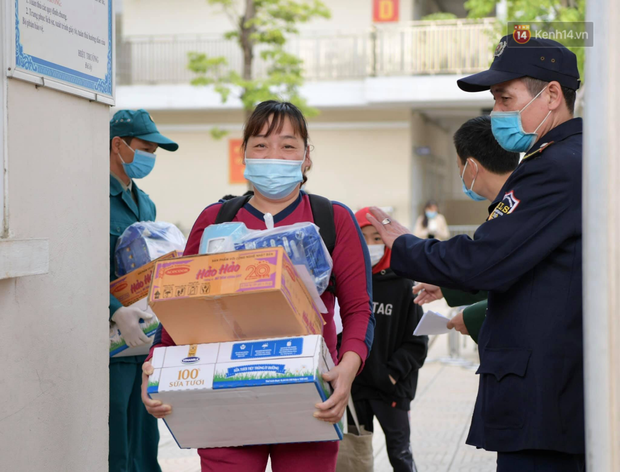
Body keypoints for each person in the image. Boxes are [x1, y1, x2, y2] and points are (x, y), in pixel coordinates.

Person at [368, 35, 584, 471]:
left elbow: (485, 260)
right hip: (555, 394)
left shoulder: (555, 167)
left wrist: (403, 246)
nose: (498, 114)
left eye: (506, 99)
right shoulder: (569, 159)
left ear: (553, 95)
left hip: (547, 396)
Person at [141, 100, 375, 472]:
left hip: (307, 393)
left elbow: (359, 308)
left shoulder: (333, 219)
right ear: (244, 154)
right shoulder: (215, 219)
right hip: (221, 392)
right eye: (261, 144)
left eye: (288, 145)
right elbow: (181, 301)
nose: (274, 155)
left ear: (307, 156)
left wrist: (347, 369)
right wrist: (156, 366)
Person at [108, 109, 179, 472]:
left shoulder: (145, 202)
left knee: (146, 441)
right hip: (112, 342)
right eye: (144, 147)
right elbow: (78, 264)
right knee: (116, 442)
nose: (150, 156)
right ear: (117, 145)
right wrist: (111, 308)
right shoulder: (93, 198)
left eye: (155, 150)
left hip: (146, 336)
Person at [413, 115, 520, 343]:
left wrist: (473, 317)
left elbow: (512, 277)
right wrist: (447, 288)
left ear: (471, 167)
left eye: (458, 166)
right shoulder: (514, 201)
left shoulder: (515, 210)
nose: (461, 172)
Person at [351, 207, 428, 472]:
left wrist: (391, 374)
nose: (371, 245)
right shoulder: (349, 282)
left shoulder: (404, 284)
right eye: (364, 237)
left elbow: (417, 342)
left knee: (400, 454)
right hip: (355, 388)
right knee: (355, 456)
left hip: (391, 389)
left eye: (377, 238)